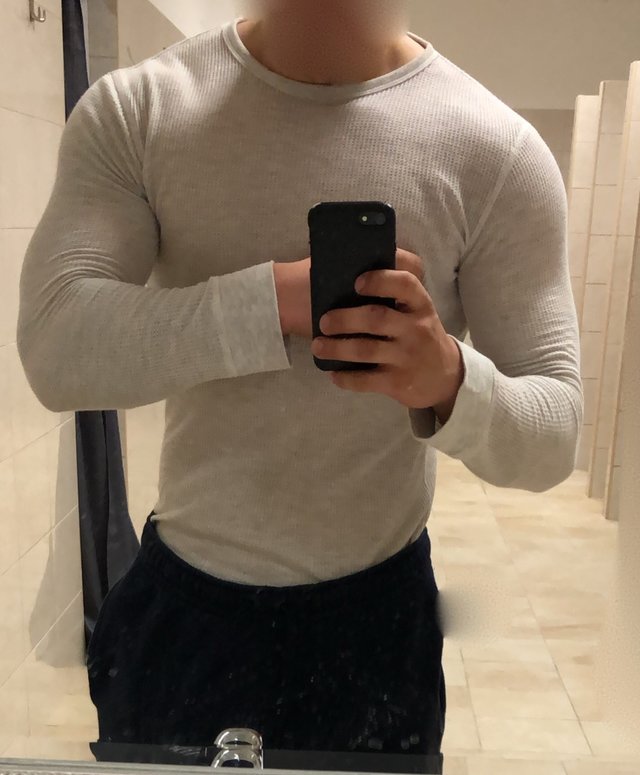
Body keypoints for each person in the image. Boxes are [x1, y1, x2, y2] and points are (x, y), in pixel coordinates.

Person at [17, 0, 583, 762]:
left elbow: (555, 429)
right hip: (184, 611)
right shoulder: (141, 110)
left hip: (377, 623)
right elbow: (55, 346)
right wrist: (273, 302)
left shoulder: (496, 151)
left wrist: (448, 378)